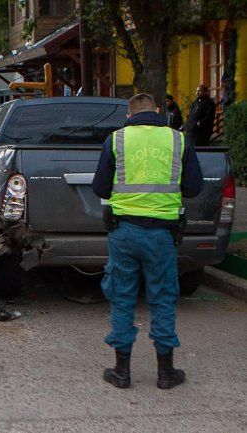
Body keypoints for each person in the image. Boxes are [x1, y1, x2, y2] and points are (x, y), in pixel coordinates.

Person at [92, 93, 203, 390]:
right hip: (162, 234)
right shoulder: (178, 140)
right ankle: (166, 373)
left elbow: (99, 186)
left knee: (122, 296)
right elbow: (193, 188)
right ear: (157, 111)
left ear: (129, 116)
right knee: (163, 298)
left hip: (123, 231)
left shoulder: (116, 140)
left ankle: (121, 372)